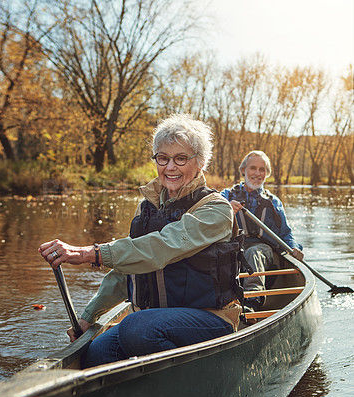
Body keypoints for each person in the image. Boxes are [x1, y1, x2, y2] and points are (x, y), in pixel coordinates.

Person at [39, 114, 246, 368]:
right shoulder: (146, 208)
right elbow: (125, 271)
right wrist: (88, 317)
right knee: (97, 353)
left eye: (181, 158)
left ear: (200, 162)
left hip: (209, 318)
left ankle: (189, 379)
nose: (170, 167)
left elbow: (163, 246)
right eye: (163, 158)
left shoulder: (215, 209)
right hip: (152, 320)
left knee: (136, 328)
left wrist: (89, 253)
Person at [221, 150, 304, 313]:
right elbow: (209, 215)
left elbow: (286, 233)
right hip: (233, 248)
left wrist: (294, 248)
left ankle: (253, 301)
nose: (257, 174)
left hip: (263, 251)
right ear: (243, 170)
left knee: (254, 252)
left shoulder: (273, 202)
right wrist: (225, 208)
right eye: (253, 168)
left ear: (267, 174)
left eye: (262, 170)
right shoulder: (226, 196)